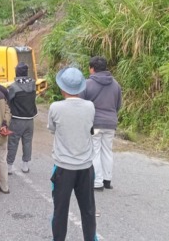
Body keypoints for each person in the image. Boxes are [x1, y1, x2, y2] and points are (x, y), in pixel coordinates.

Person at [48, 67, 97, 241]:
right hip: (85, 166)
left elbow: (52, 129)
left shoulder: (55, 107)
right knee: (88, 209)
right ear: (81, 88)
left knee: (60, 210)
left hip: (63, 166)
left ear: (62, 88)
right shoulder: (90, 106)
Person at [79, 56, 122, 191]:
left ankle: (97, 182)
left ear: (92, 69)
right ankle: (107, 180)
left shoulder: (86, 84)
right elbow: (118, 105)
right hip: (111, 122)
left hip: (95, 123)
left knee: (95, 151)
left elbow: (81, 104)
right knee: (107, 151)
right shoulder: (116, 84)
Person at [7, 62, 38, 175]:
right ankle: (25, 166)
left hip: (16, 119)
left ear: (16, 72)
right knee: (27, 142)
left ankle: (9, 167)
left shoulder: (13, 87)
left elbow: (8, 100)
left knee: (13, 143)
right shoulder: (33, 84)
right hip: (30, 119)